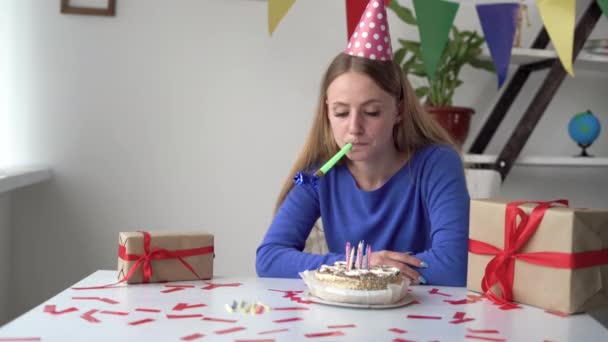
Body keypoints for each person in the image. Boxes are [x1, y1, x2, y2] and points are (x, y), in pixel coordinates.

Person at [256, 0, 470, 286]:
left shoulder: (436, 164)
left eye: (371, 112)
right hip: (341, 322)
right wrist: (358, 265)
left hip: (421, 320)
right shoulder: (318, 174)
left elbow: (455, 266)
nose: (354, 128)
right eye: (341, 113)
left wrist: (371, 270)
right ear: (326, 112)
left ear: (399, 110)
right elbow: (269, 258)